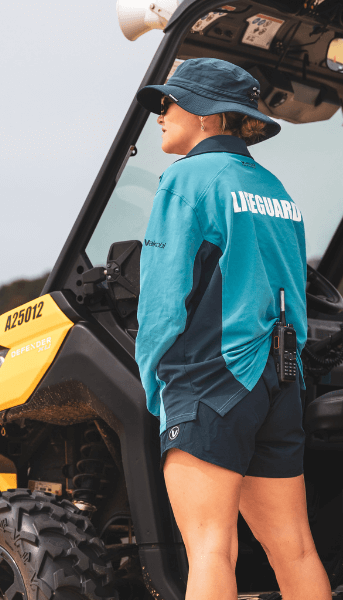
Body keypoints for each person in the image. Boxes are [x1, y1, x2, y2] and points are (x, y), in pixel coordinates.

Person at [134, 58, 331, 600]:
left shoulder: (186, 180)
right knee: (294, 549)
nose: (160, 114)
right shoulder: (274, 190)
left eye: (167, 102)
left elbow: (163, 300)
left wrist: (154, 382)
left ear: (205, 113)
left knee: (210, 549)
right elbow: (295, 294)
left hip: (209, 379)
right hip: (278, 379)